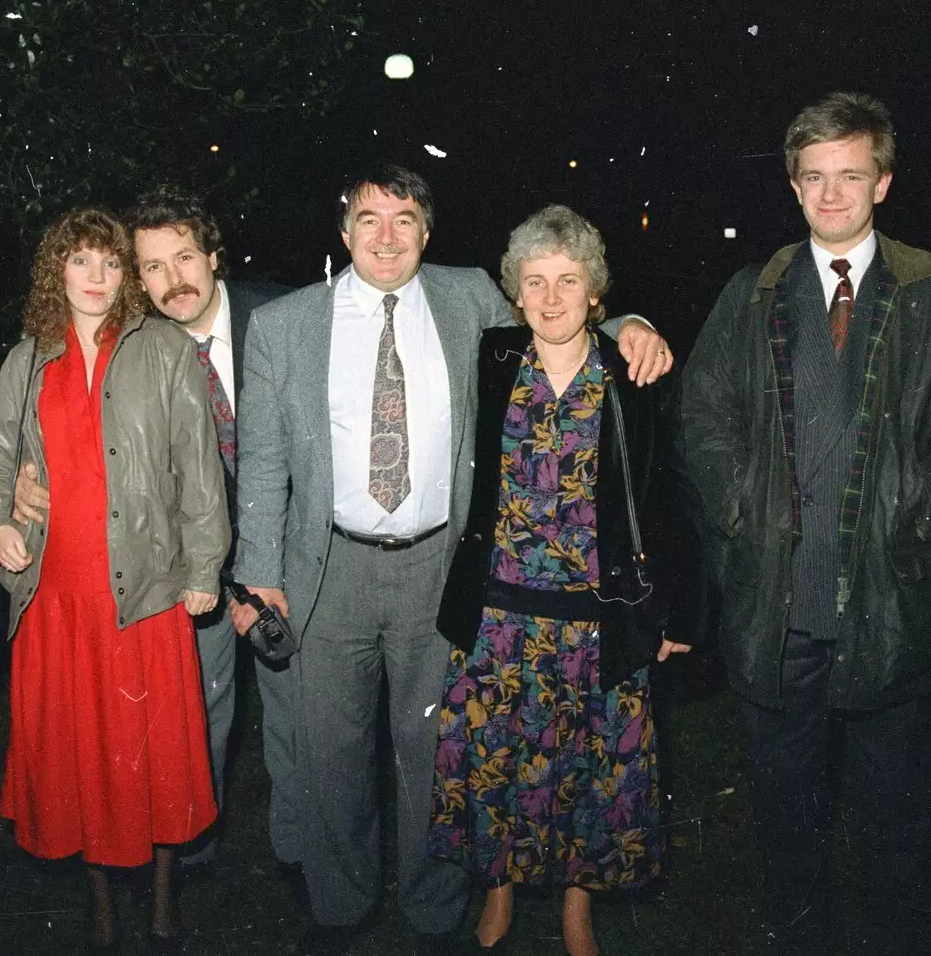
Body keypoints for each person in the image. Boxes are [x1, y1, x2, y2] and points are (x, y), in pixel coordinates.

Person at [231, 166, 673, 953]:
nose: (388, 236)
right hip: (328, 565)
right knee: (330, 749)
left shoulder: (467, 296)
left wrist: (633, 320)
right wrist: (260, 572)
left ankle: (436, 908)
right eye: (370, 219)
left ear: (427, 234)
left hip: (440, 564)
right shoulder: (285, 325)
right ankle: (340, 906)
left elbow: (560, 314)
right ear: (344, 232)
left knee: (432, 743)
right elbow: (263, 460)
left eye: (405, 220)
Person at [680, 92, 931, 954]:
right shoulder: (752, 292)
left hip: (891, 607)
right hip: (777, 611)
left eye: (850, 176)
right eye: (813, 178)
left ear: (882, 184)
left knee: (897, 826)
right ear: (793, 188)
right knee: (785, 825)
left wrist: (920, 510)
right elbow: (702, 421)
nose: (830, 195)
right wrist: (740, 512)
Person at [430, 205, 702, 955]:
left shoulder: (632, 374)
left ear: (596, 293)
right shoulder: (490, 361)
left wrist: (676, 612)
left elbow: (669, 496)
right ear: (514, 292)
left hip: (596, 617)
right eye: (536, 281)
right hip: (499, 615)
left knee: (590, 768)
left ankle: (579, 904)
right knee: (494, 761)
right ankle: (500, 891)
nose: (551, 299)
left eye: (569, 281)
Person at [12, 190, 300, 876]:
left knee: (300, 716)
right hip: (184, 563)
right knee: (196, 710)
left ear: (214, 256)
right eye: (152, 267)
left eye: (185, 258)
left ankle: (303, 854)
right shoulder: (135, 348)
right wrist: (28, 479)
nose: (174, 280)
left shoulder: (286, 318)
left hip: (285, 552)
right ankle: (188, 844)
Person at [0, 207, 230, 950]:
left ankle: (159, 900)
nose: (96, 277)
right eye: (80, 262)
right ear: (57, 270)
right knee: (80, 756)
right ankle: (101, 906)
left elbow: (200, 472)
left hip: (144, 592)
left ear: (126, 276)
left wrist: (205, 567)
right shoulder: (25, 360)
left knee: (152, 759)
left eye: (110, 264)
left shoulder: (165, 351)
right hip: (56, 595)